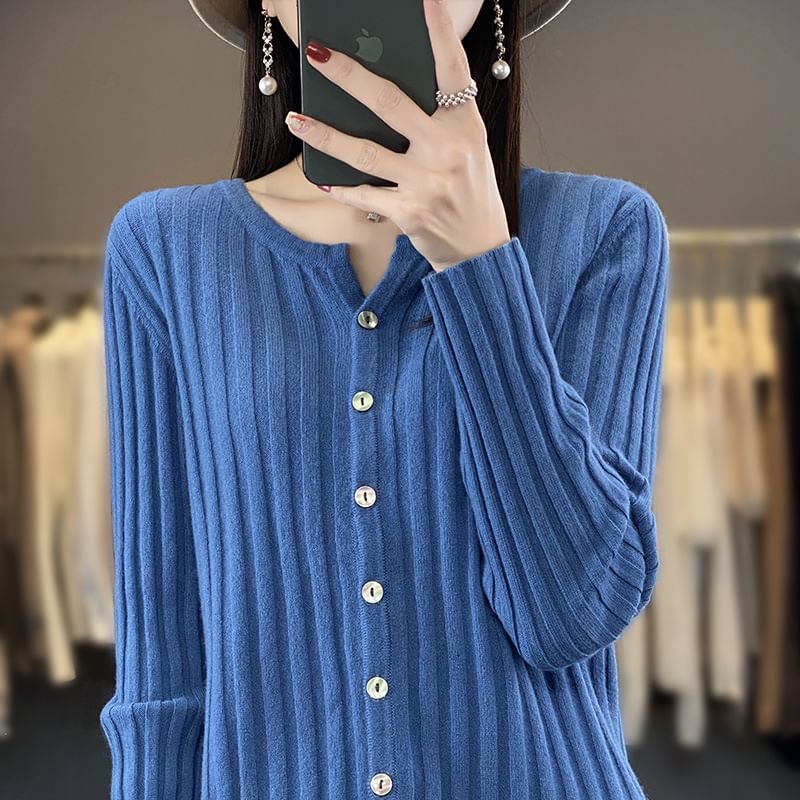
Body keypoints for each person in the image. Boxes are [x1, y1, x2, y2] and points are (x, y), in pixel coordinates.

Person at [98, 1, 670, 799]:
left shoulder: (607, 232)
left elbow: (574, 612)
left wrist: (479, 263)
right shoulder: (163, 251)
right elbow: (161, 679)